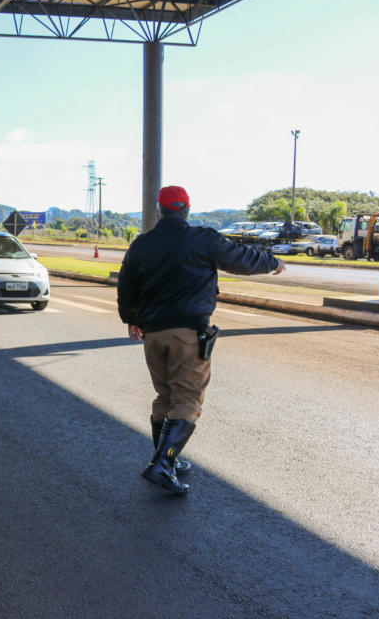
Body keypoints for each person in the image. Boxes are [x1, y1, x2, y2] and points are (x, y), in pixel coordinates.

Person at [117, 185, 285, 495]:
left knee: (165, 396)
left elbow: (126, 284)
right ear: (187, 210)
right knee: (188, 399)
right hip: (188, 332)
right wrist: (272, 262)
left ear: (159, 210)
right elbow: (240, 259)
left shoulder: (141, 244)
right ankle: (163, 464)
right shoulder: (202, 239)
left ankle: (166, 458)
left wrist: (131, 318)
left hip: (153, 333)